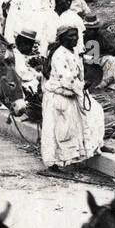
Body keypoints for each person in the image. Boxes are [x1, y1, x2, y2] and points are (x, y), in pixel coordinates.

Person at [41, 25, 97, 170]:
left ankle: (65, 162)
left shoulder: (73, 52)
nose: (75, 39)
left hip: (69, 97)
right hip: (59, 98)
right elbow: (66, 79)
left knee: (69, 130)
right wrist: (81, 85)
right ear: (62, 38)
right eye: (71, 36)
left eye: (76, 35)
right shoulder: (59, 54)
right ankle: (53, 164)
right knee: (58, 132)